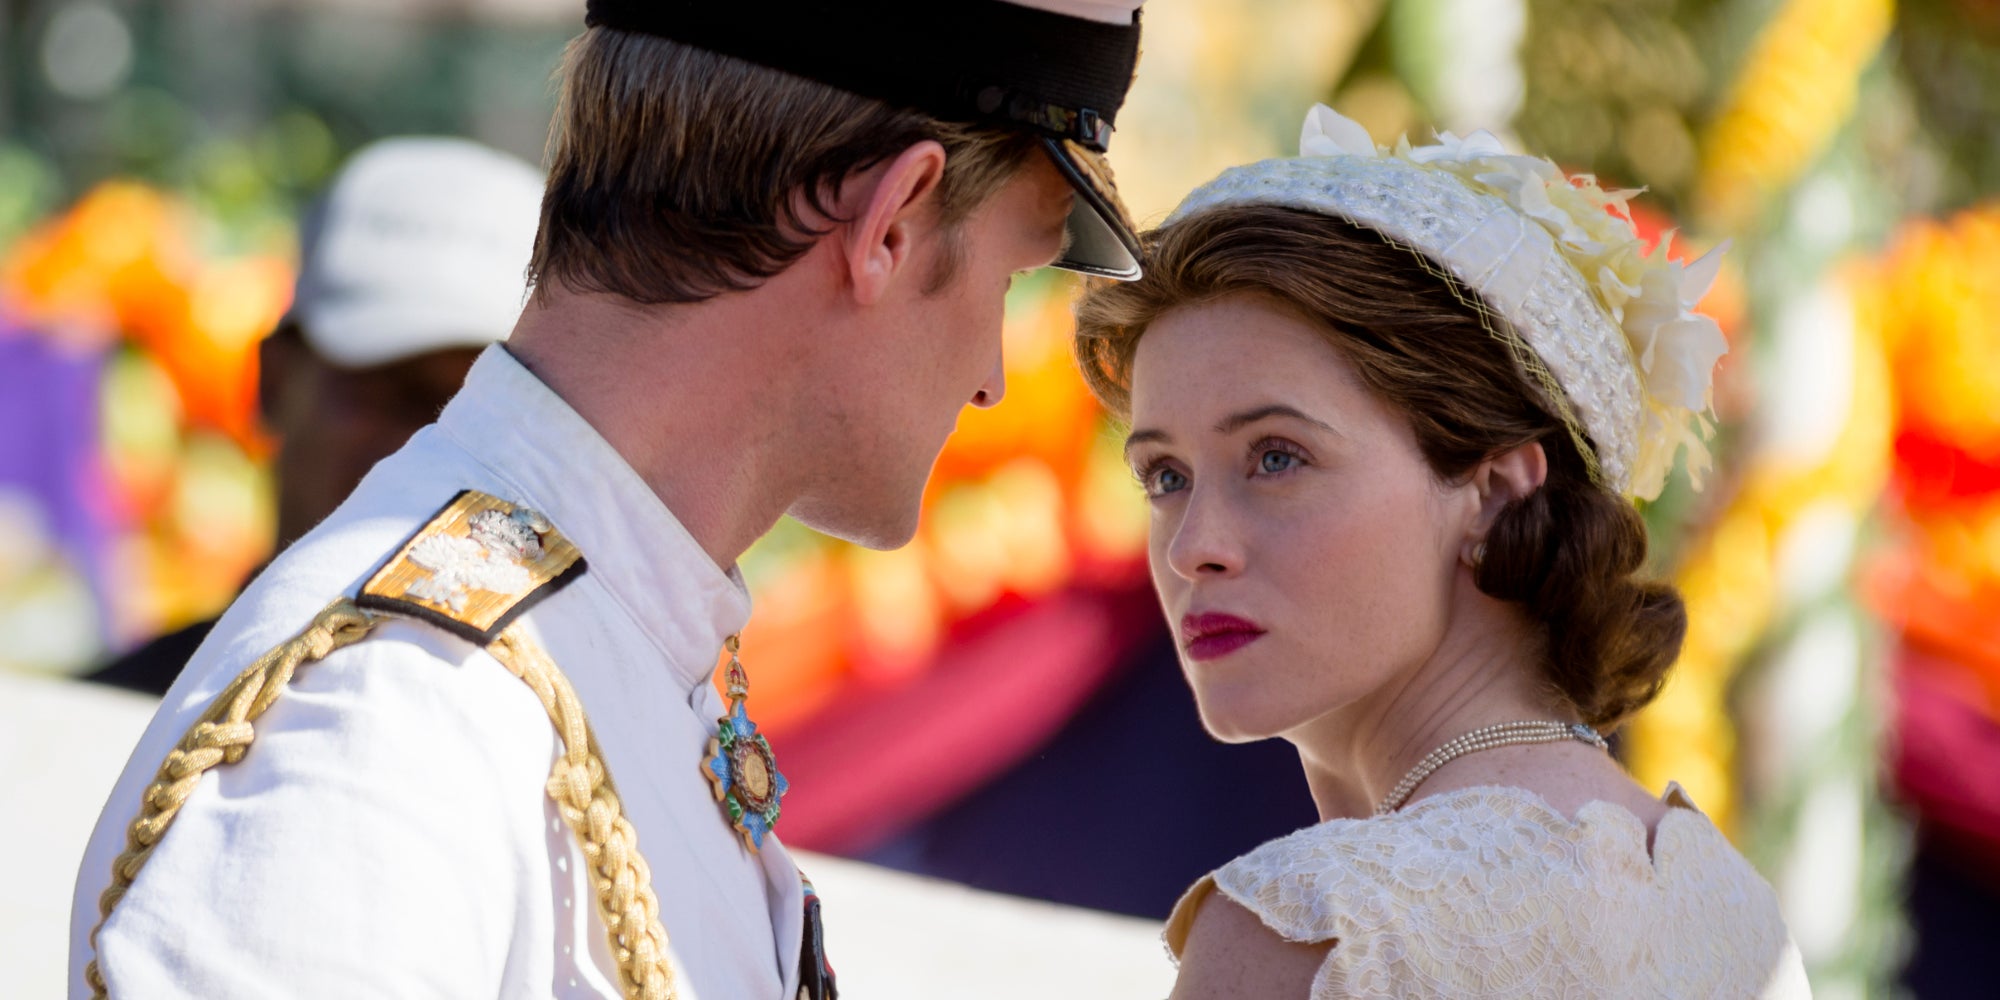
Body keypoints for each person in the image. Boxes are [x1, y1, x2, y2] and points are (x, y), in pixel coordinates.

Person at [69, 2, 1146, 999]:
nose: (990, 379)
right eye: (1010, 275)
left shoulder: (586, 640)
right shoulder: (392, 712)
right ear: (893, 222)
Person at [1072, 105, 1812, 997]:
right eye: (1164, 476)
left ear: (1496, 492)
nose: (1194, 548)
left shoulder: (1314, 927)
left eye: (1276, 458)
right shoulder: (1735, 910)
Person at [87, 136, 545, 697]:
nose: (431, 450)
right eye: (393, 393)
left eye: (483, 417)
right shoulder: (96, 731)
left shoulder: (576, 762)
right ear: (274, 381)